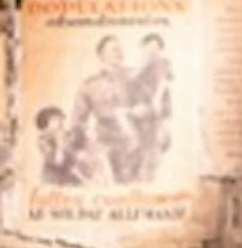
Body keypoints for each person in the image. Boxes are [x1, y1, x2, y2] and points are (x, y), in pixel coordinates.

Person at [74, 35, 141, 183]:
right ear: (101, 55)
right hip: (107, 145)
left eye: (120, 49)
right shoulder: (90, 85)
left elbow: (156, 104)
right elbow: (78, 121)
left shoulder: (136, 77)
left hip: (138, 143)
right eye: (114, 49)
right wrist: (86, 145)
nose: (119, 52)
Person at [127, 32, 175, 179]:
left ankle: (148, 175)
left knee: (153, 146)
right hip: (140, 112)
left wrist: (156, 100)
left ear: (160, 50)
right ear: (142, 48)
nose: (152, 51)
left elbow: (163, 82)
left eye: (156, 48)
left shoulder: (161, 63)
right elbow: (131, 82)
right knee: (141, 146)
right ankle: (140, 173)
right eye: (149, 48)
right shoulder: (140, 67)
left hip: (154, 111)